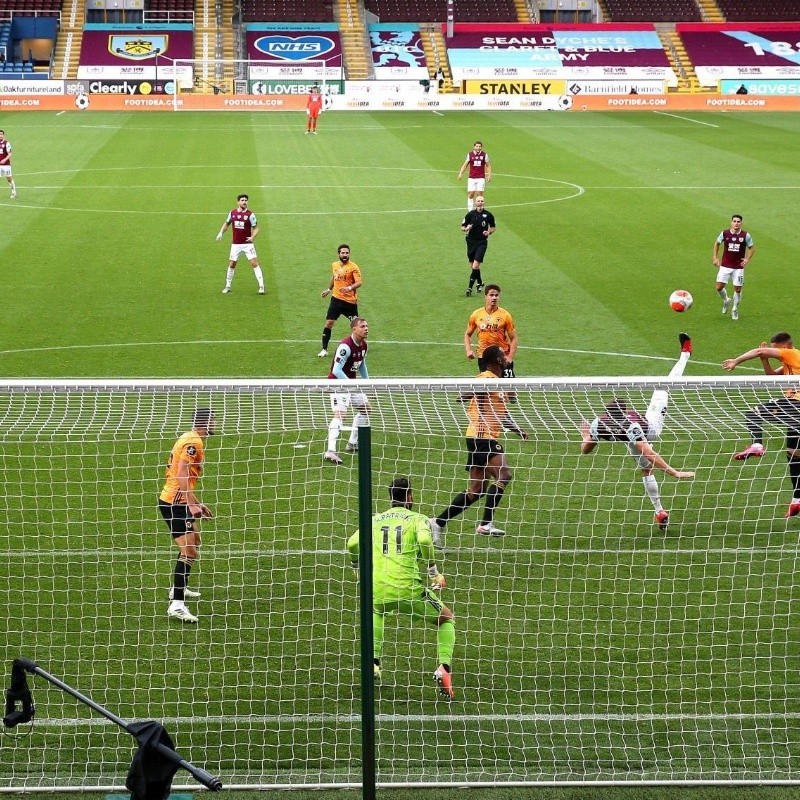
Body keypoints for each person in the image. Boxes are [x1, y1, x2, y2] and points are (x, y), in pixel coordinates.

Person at [346, 476, 456, 700]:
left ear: (390, 498)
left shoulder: (375, 519)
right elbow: (426, 542)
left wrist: (356, 567)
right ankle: (444, 668)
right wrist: (434, 572)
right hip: (408, 589)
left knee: (377, 611)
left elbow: (351, 543)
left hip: (377, 588)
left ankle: (374, 664)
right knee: (446, 618)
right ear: (410, 497)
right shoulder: (418, 519)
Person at [579, 334, 695, 531]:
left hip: (640, 434)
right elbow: (648, 451)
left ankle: (659, 511)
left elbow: (585, 450)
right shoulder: (629, 425)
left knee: (646, 470)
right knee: (664, 387)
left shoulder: (599, 424)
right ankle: (685, 354)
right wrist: (674, 472)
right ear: (623, 413)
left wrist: (587, 437)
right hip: (648, 430)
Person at [429, 345, 528, 543]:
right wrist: (466, 395)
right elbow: (468, 392)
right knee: (504, 474)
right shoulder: (486, 378)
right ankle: (485, 524)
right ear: (498, 360)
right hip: (482, 436)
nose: (507, 356)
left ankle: (437, 522)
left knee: (476, 490)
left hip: (479, 437)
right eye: (503, 354)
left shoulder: (497, 382)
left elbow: (501, 413)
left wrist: (518, 430)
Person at [722, 331, 800, 518]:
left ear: (785, 346)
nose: (772, 352)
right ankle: (798, 499)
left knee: (753, 414)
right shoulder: (789, 364)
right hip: (796, 412)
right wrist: (765, 360)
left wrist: (736, 361)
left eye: (774, 349)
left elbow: (758, 351)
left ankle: (757, 444)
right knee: (794, 454)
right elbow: (771, 375)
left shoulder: (792, 353)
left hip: (796, 404)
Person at [158, 408, 215, 624]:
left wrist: (196, 502)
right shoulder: (194, 443)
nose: (216, 425)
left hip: (177, 500)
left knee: (195, 542)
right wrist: (190, 504)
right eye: (214, 421)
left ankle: (177, 589)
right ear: (206, 423)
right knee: (189, 550)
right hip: (175, 503)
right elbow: (182, 472)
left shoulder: (188, 437)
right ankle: (177, 605)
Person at [324, 316, 369, 465]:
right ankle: (330, 451)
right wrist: (351, 385)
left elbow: (361, 364)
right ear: (354, 329)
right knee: (340, 414)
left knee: (366, 409)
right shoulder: (345, 346)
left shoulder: (364, 345)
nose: (366, 328)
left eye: (366, 326)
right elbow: (336, 370)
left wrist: (369, 384)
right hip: (338, 383)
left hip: (350, 383)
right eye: (362, 326)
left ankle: (352, 443)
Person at [319, 244, 362, 358]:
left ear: (349, 254)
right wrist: (329, 289)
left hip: (349, 302)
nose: (345, 255)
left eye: (347, 253)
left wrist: (348, 288)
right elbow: (334, 277)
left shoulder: (353, 267)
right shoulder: (335, 265)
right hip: (336, 300)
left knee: (356, 325)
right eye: (343, 253)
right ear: (339, 254)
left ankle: (359, 346)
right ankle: (324, 349)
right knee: (329, 323)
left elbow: (359, 282)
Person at [465, 284, 517, 378]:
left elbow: (513, 338)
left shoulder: (505, 315)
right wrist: (468, 350)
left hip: (502, 357)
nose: (494, 298)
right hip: (484, 357)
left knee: (509, 388)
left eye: (496, 295)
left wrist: (510, 357)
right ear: (485, 296)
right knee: (488, 389)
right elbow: (468, 334)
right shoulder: (476, 314)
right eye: (491, 295)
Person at [216, 193, 265, 295]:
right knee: (232, 264)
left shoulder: (250, 215)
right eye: (242, 200)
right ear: (238, 202)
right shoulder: (232, 213)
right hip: (236, 244)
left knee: (254, 263)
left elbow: (256, 228)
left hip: (248, 244)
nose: (244, 202)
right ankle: (228, 285)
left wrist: (253, 237)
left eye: (246, 200)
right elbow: (227, 223)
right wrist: (221, 232)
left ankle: (261, 286)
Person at [713, 213, 754, 321]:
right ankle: (726, 300)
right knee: (719, 287)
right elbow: (717, 243)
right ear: (731, 222)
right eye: (734, 221)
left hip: (738, 267)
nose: (736, 223)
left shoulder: (745, 235)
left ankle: (735, 309)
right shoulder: (725, 233)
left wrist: (747, 259)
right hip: (725, 265)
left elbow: (751, 248)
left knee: (738, 289)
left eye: (738, 221)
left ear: (741, 223)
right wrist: (715, 257)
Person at [461, 195, 496, 296]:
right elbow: (462, 226)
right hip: (471, 242)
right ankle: (480, 282)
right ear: (475, 203)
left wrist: (489, 233)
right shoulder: (470, 214)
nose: (480, 202)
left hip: (482, 242)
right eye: (478, 201)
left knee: (476, 265)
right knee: (473, 266)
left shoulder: (488, 215)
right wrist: (466, 228)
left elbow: (493, 227)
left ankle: (469, 288)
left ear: (484, 203)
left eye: (482, 201)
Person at [457, 140, 491, 211]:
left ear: (481, 147)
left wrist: (489, 175)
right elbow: (465, 165)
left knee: (479, 195)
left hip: (481, 178)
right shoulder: (470, 155)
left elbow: (488, 165)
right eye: (477, 146)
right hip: (472, 178)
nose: (478, 148)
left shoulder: (484, 155)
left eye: (479, 146)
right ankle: (470, 211)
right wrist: (461, 173)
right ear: (474, 147)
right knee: (471, 194)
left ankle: (479, 210)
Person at [0, 129, 17, 199]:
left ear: (3, 135)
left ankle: (14, 192)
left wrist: (4, 159)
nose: (0, 136)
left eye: (1, 134)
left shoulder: (7, 143)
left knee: (9, 178)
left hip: (6, 165)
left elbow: (10, 154)